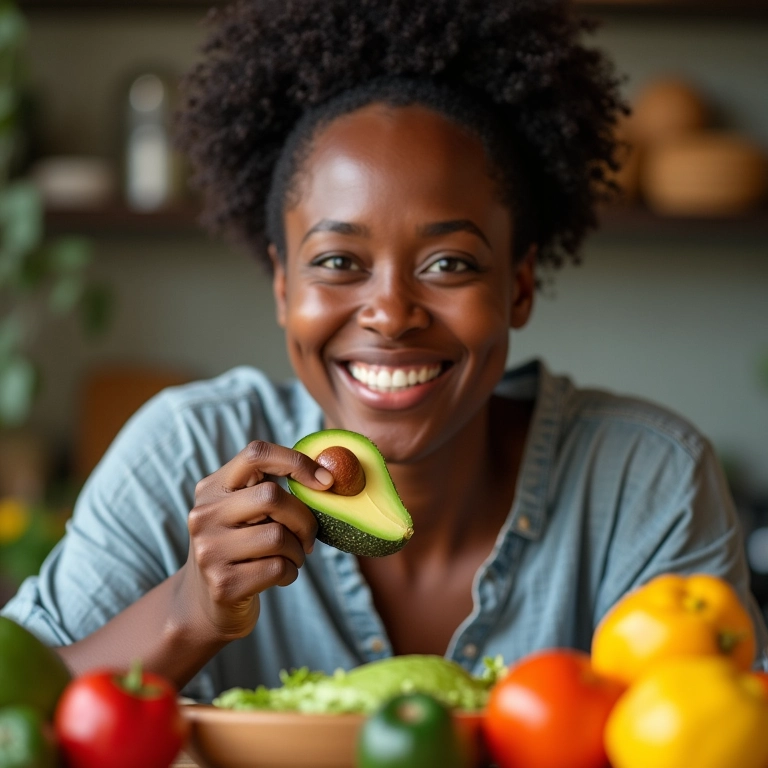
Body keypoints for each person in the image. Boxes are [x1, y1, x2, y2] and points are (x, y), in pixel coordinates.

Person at [3, 0, 766, 702]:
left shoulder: (645, 482)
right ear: (281, 285)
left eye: (449, 264)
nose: (392, 314)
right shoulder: (184, 450)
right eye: (338, 262)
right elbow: (18, 711)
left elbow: (711, 731)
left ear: (521, 285)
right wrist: (190, 611)